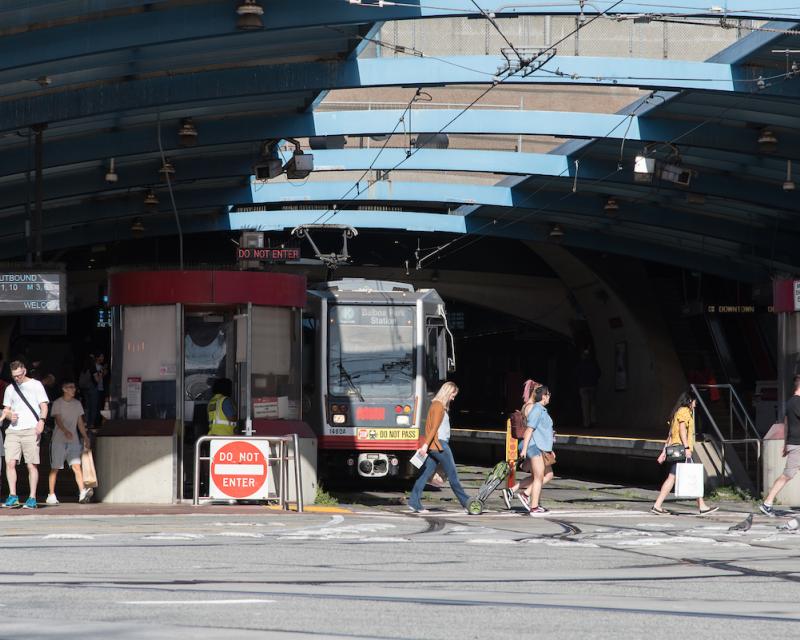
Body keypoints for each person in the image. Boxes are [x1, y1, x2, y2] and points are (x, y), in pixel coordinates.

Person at [651, 390, 718, 515]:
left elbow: (670, 434)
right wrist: (687, 448)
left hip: (676, 448)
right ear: (690, 401)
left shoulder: (677, 411)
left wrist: (664, 452)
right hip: (682, 449)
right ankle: (658, 505)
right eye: (695, 401)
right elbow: (682, 430)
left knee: (674, 477)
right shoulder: (685, 412)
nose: (696, 404)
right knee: (691, 477)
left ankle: (658, 505)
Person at [408, 381, 470, 513]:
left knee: (425, 474)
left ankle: (414, 502)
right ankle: (467, 503)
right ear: (447, 392)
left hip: (434, 445)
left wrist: (427, 445)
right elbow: (434, 428)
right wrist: (425, 446)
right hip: (440, 445)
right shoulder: (438, 406)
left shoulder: (435, 405)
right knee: (453, 476)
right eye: (453, 395)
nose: (453, 398)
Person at [1, 360, 49, 509]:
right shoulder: (10, 388)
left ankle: (32, 497)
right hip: (14, 430)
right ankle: (13, 496)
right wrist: (9, 416)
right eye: (14, 376)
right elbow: (6, 409)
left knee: (31, 465)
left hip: (31, 429)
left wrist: (41, 421)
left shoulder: (36, 385)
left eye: (19, 375)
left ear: (25, 371)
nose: (17, 378)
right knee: (10, 462)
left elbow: (44, 405)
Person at [759, 375, 800, 517]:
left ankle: (767, 503)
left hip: (793, 443)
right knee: (787, 475)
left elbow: (786, 423)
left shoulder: (790, 403)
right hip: (798, 445)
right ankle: (767, 503)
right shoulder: (797, 402)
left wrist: (785, 444)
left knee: (788, 474)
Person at [47, 380, 92, 505]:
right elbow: (58, 420)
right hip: (58, 441)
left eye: (74, 387)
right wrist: (65, 431)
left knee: (77, 466)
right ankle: (51, 495)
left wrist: (85, 437)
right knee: (55, 468)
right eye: (70, 387)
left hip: (73, 441)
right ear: (64, 389)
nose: (73, 389)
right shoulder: (57, 403)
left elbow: (80, 423)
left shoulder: (77, 404)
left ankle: (82, 492)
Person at [501, 379, 542, 508]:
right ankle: (526, 496)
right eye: (540, 392)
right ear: (534, 392)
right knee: (543, 476)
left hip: (529, 443)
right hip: (532, 444)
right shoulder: (532, 407)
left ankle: (511, 491)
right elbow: (531, 428)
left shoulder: (527, 405)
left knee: (538, 476)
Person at [515, 385, 556, 515]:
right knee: (538, 477)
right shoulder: (537, 410)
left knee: (546, 475)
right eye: (548, 394)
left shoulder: (542, 410)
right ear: (544, 396)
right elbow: (529, 430)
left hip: (541, 447)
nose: (549, 396)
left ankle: (527, 496)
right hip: (535, 447)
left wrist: (550, 449)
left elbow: (543, 431)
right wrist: (524, 449)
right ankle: (533, 506)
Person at [576, 348, 601, 428]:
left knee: (585, 405)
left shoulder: (580, 364)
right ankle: (593, 421)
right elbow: (599, 373)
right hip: (592, 385)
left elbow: (577, 374)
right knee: (592, 404)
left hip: (583, 386)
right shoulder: (593, 363)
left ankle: (586, 423)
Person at [79, 354, 98, 428]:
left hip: (85, 389)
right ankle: (92, 423)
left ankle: (86, 422)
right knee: (93, 406)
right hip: (92, 389)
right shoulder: (93, 368)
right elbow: (97, 379)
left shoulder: (83, 369)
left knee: (87, 406)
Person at [93, 353, 109, 427]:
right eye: (101, 356)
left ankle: (99, 422)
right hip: (96, 388)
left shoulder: (101, 366)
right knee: (96, 406)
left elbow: (104, 375)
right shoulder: (94, 366)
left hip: (101, 388)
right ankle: (96, 423)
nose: (102, 358)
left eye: (103, 356)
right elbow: (97, 377)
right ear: (97, 357)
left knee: (100, 406)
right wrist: (102, 370)